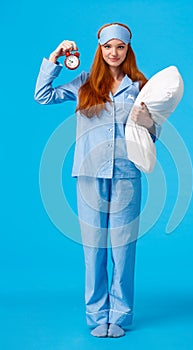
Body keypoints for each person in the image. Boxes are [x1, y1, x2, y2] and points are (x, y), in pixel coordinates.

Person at [34, 22, 161, 338]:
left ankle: (120, 314)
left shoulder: (140, 86)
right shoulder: (84, 83)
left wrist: (146, 127)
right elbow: (43, 95)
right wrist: (53, 59)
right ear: (100, 50)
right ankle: (96, 315)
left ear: (127, 49)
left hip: (127, 177)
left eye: (119, 46)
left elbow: (152, 133)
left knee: (122, 249)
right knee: (94, 249)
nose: (113, 52)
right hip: (89, 175)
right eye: (108, 47)